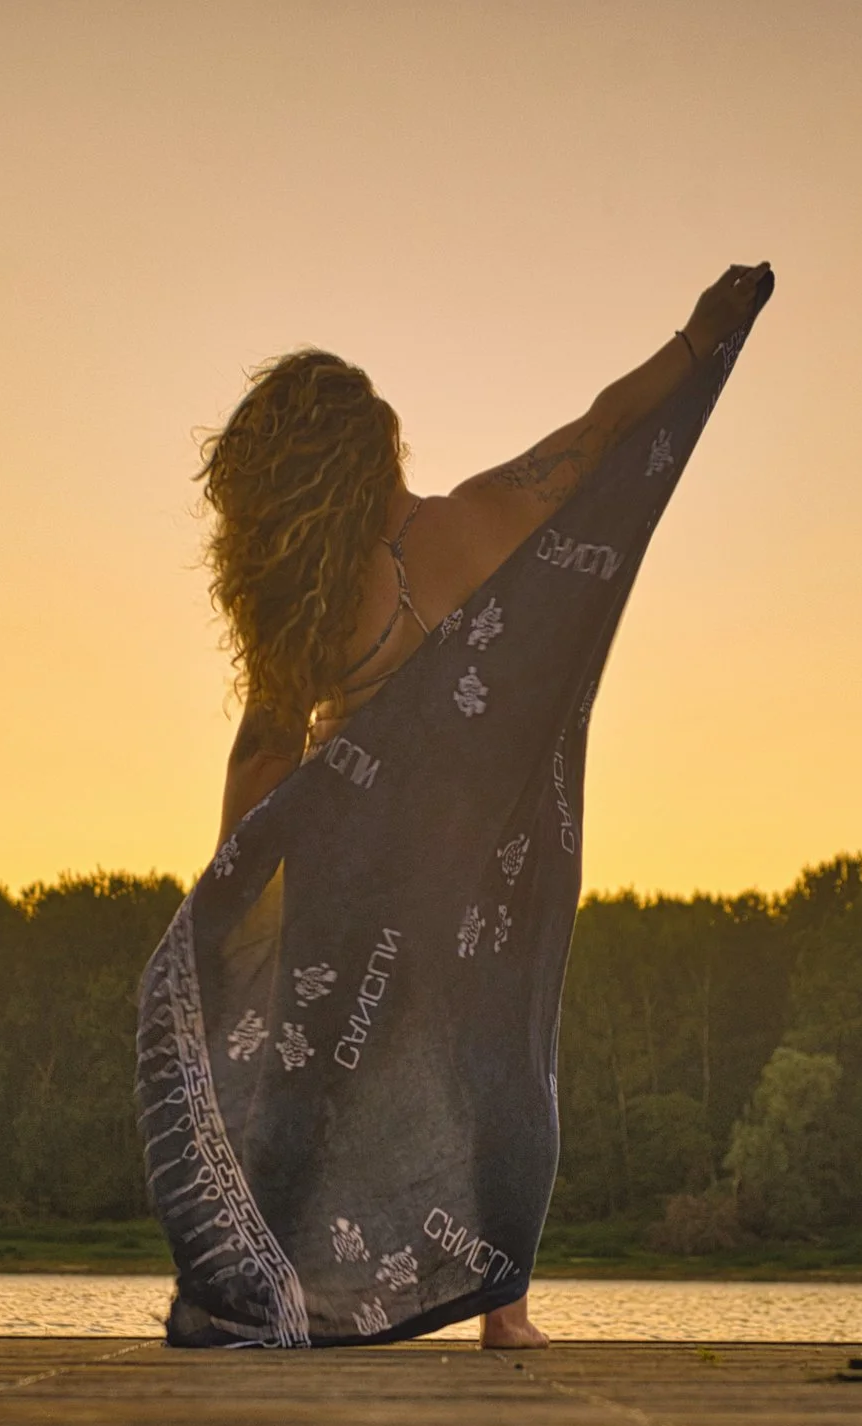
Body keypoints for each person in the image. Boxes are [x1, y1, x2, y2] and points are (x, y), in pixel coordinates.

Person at [139, 263, 775, 1350]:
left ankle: (266, 1292)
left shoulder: (309, 598)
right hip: (485, 864)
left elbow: (265, 749)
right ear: (375, 451)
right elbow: (602, 429)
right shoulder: (485, 516)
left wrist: (229, 898)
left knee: (310, 1070)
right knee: (497, 1060)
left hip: (354, 873)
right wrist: (698, 337)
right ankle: (504, 1314)